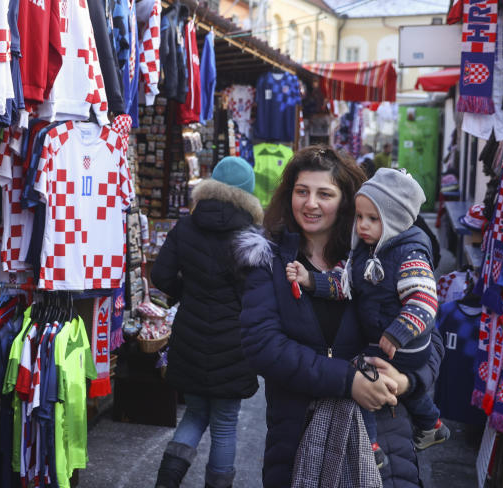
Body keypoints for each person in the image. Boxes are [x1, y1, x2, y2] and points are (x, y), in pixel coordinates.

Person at [236, 145, 443, 487]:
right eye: (302, 191)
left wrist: (408, 381)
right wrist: (348, 381)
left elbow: (429, 333)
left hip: (384, 429)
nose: (311, 203)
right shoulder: (269, 260)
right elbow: (263, 345)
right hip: (298, 432)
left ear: (347, 200)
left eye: (324, 193)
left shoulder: (380, 256)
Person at [287, 168, 450, 469]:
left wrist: (397, 333)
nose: (362, 225)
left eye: (373, 219)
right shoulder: (365, 251)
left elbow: (425, 301)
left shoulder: (409, 254)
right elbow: (343, 283)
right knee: (391, 385)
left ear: (395, 219)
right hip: (388, 340)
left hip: (406, 343)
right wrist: (311, 280)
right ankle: (432, 425)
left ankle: (371, 449)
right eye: (359, 217)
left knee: (362, 376)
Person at [152, 156, 263, 488]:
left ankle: (165, 483)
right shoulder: (253, 235)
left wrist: (186, 292)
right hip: (235, 342)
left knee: (194, 414)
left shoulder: (186, 225)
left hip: (190, 334)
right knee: (226, 424)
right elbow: (257, 295)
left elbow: (161, 275)